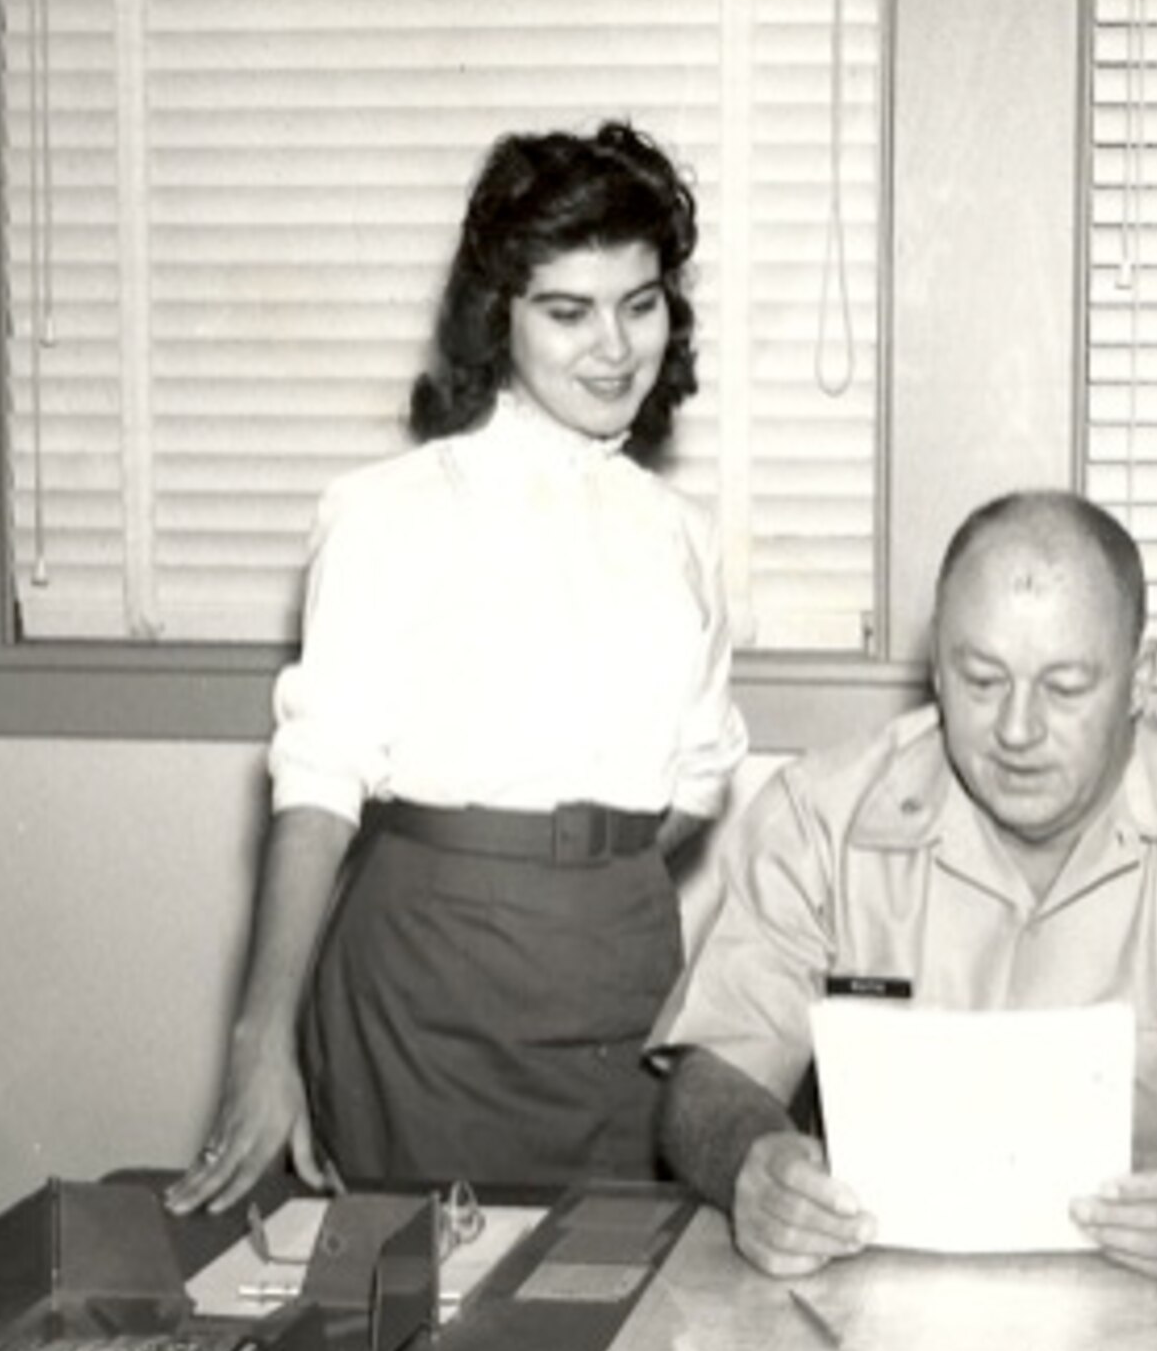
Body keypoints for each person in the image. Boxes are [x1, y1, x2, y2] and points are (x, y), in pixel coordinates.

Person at [168, 122, 746, 1216]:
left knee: (617, 1292)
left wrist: (582, 871)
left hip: (626, 978)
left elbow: (698, 779)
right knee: (436, 1301)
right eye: (566, 311)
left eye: (639, 304)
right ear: (498, 317)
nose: (614, 347)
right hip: (429, 989)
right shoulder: (388, 512)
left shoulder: (682, 535)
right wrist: (262, 1040)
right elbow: (318, 785)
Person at [652, 488, 1157, 1283]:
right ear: (936, 669)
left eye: (1065, 688)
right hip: (875, 1300)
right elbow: (707, 1079)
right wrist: (754, 1168)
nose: (1017, 730)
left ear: (1140, 679)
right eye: (981, 680)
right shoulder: (819, 820)